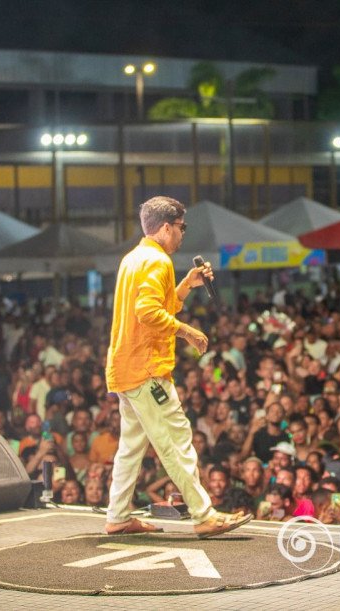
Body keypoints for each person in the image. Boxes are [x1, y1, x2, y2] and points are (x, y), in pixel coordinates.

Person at [103, 196, 250, 538]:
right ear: (167, 227)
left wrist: (185, 285)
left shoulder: (135, 258)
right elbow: (149, 313)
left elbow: (157, 306)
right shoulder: (157, 262)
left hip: (127, 368)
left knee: (131, 448)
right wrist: (188, 332)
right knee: (177, 439)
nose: (183, 234)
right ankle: (204, 515)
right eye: (182, 227)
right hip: (147, 370)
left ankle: (118, 516)